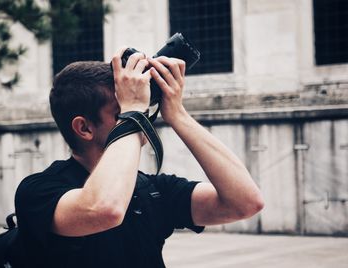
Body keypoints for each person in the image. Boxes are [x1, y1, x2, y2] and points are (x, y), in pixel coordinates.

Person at [14, 48, 264, 267]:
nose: (141, 117)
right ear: (84, 129)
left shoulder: (151, 190)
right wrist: (133, 111)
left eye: (139, 109)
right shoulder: (39, 192)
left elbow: (245, 203)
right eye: (119, 111)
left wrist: (178, 115)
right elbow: (105, 209)